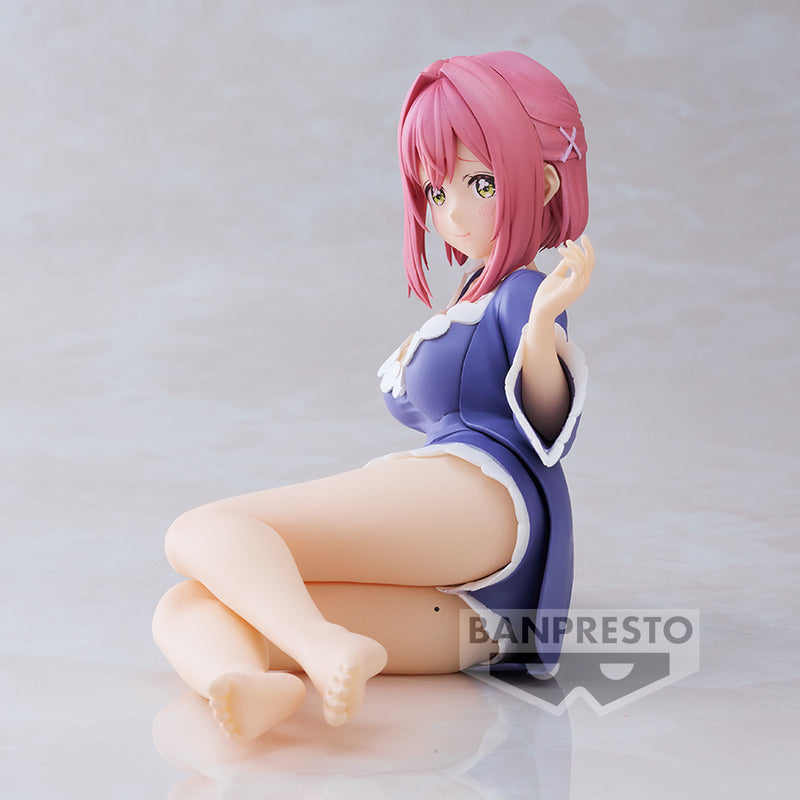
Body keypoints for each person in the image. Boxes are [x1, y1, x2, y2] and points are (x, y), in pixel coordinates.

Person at [153, 51, 594, 743]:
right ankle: (250, 681)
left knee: (203, 529)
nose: (452, 211)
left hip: (481, 495)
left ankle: (321, 646)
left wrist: (540, 330)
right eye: (436, 192)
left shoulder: (523, 296)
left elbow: (548, 421)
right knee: (193, 602)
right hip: (481, 621)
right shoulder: (471, 296)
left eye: (478, 182)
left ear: (540, 184)